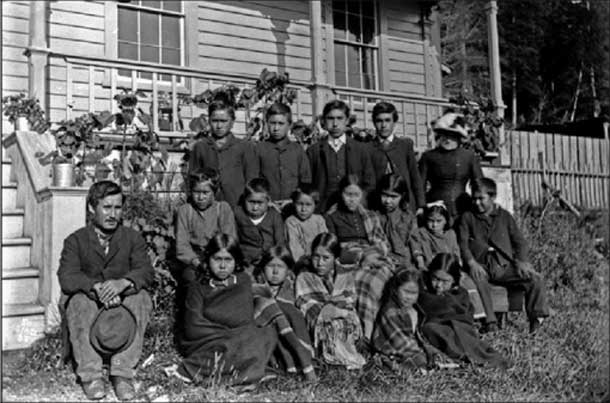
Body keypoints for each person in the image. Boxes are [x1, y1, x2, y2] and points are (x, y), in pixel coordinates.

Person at [58, 181, 154, 401]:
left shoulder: (132, 238)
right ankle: (90, 375)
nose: (113, 214)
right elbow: (68, 277)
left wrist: (123, 283)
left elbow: (146, 271)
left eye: (118, 208)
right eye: (106, 207)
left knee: (142, 298)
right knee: (77, 302)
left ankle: (122, 373)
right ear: (92, 208)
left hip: (124, 300)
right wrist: (95, 288)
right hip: (91, 300)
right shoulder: (76, 240)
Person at [174, 234, 277, 384]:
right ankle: (248, 371)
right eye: (217, 259)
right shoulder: (197, 286)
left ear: (236, 261)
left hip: (239, 337)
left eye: (228, 260)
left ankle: (240, 368)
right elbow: (193, 326)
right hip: (207, 341)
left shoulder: (243, 281)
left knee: (267, 335)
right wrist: (225, 334)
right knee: (234, 347)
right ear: (208, 259)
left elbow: (244, 318)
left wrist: (234, 333)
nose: (222, 266)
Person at [457, 178, 550, 333]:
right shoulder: (468, 218)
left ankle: (536, 323)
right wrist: (471, 262)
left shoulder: (504, 216)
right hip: (482, 266)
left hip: (504, 266)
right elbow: (463, 243)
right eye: (474, 198)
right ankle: (490, 322)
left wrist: (522, 261)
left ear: (492, 197)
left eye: (481, 198)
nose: (477, 202)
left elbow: (519, 242)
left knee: (535, 278)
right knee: (479, 280)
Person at [418, 253, 510, 368]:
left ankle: (474, 358)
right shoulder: (424, 291)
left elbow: (466, 313)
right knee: (432, 328)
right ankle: (461, 358)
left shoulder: (460, 293)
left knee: (470, 342)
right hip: (437, 326)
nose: (438, 285)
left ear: (453, 281)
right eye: (435, 279)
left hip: (461, 328)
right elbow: (426, 309)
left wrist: (449, 304)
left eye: (445, 281)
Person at [295, 233, 366, 369]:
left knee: (344, 324)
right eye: (316, 256)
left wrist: (337, 309)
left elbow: (349, 299)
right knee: (332, 326)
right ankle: (333, 359)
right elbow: (307, 306)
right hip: (319, 328)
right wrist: (334, 310)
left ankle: (346, 358)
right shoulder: (305, 276)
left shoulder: (344, 275)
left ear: (335, 258)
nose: (320, 263)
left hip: (342, 320)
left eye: (326, 258)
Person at [252, 246, 316, 381]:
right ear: (263, 268)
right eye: (270, 266)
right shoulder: (256, 288)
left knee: (293, 313)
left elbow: (300, 311)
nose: (275, 271)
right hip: (265, 335)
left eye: (280, 267)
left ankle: (297, 359)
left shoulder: (293, 288)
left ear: (288, 270)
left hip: (287, 335)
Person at [188, 100, 259, 208]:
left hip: (237, 206)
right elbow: (192, 179)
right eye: (215, 121)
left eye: (223, 121)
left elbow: (251, 180)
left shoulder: (244, 147)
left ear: (232, 122)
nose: (219, 125)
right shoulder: (201, 147)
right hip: (208, 208)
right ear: (209, 121)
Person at [307, 100, 375, 212]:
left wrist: (358, 202)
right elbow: (309, 184)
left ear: (347, 120)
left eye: (340, 118)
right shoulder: (313, 151)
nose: (335, 124)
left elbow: (369, 183)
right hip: (323, 210)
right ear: (323, 121)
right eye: (330, 118)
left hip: (353, 210)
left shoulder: (360, 149)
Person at [175, 168, 236, 284]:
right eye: (196, 192)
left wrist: (216, 262)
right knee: (191, 278)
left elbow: (228, 241)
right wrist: (197, 263)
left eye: (205, 193)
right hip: (195, 259)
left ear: (214, 192)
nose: (200, 197)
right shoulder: (185, 211)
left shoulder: (223, 209)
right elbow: (182, 245)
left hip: (220, 257)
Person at [372, 269, 441, 371]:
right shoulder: (390, 311)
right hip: (394, 353)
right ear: (395, 289)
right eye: (406, 291)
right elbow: (401, 344)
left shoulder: (416, 310)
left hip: (414, 350)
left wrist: (431, 351)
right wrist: (424, 355)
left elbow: (420, 339)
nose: (409, 297)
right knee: (418, 362)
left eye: (414, 293)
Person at [418, 112, 483, 221]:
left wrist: (479, 205)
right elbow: (420, 185)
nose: (447, 139)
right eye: (444, 135)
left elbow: (479, 184)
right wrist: (421, 206)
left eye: (452, 136)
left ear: (459, 138)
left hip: (462, 208)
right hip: (435, 209)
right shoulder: (429, 156)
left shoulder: (468, 157)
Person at [369, 101, 425, 214]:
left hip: (406, 204)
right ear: (374, 123)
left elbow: (414, 175)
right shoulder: (367, 148)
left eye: (387, 120)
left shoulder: (404, 145)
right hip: (379, 206)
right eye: (379, 121)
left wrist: (420, 204)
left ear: (394, 122)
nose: (383, 125)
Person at [257, 102, 312, 205]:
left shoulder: (297, 150)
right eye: (272, 123)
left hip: (293, 207)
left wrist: (293, 200)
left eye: (281, 124)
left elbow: (306, 181)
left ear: (289, 125)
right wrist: (266, 201)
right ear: (267, 123)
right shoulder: (259, 149)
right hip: (266, 207)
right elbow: (254, 182)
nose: (276, 128)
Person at [234, 177, 286, 270]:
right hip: (246, 260)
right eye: (251, 202)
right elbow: (234, 239)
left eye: (260, 203)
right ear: (244, 199)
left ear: (268, 201)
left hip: (269, 261)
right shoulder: (238, 214)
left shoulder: (274, 215)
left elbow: (280, 242)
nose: (255, 207)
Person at [375, 173, 418, 267]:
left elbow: (414, 241)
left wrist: (419, 260)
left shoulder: (408, 217)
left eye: (393, 197)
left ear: (402, 196)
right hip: (384, 262)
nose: (388, 201)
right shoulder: (375, 217)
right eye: (385, 195)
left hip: (405, 262)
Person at [409, 201, 461, 272]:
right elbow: (416, 248)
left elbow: (456, 252)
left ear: (446, 220)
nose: (434, 225)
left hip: (449, 268)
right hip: (428, 269)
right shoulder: (421, 233)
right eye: (431, 221)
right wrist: (420, 262)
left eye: (439, 221)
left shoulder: (451, 234)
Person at [284, 185, 328, 263]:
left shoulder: (319, 220)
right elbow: (295, 248)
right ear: (294, 203)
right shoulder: (291, 222)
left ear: (315, 205)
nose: (303, 209)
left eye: (308, 205)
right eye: (300, 204)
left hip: (320, 260)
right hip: (302, 263)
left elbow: (325, 243)